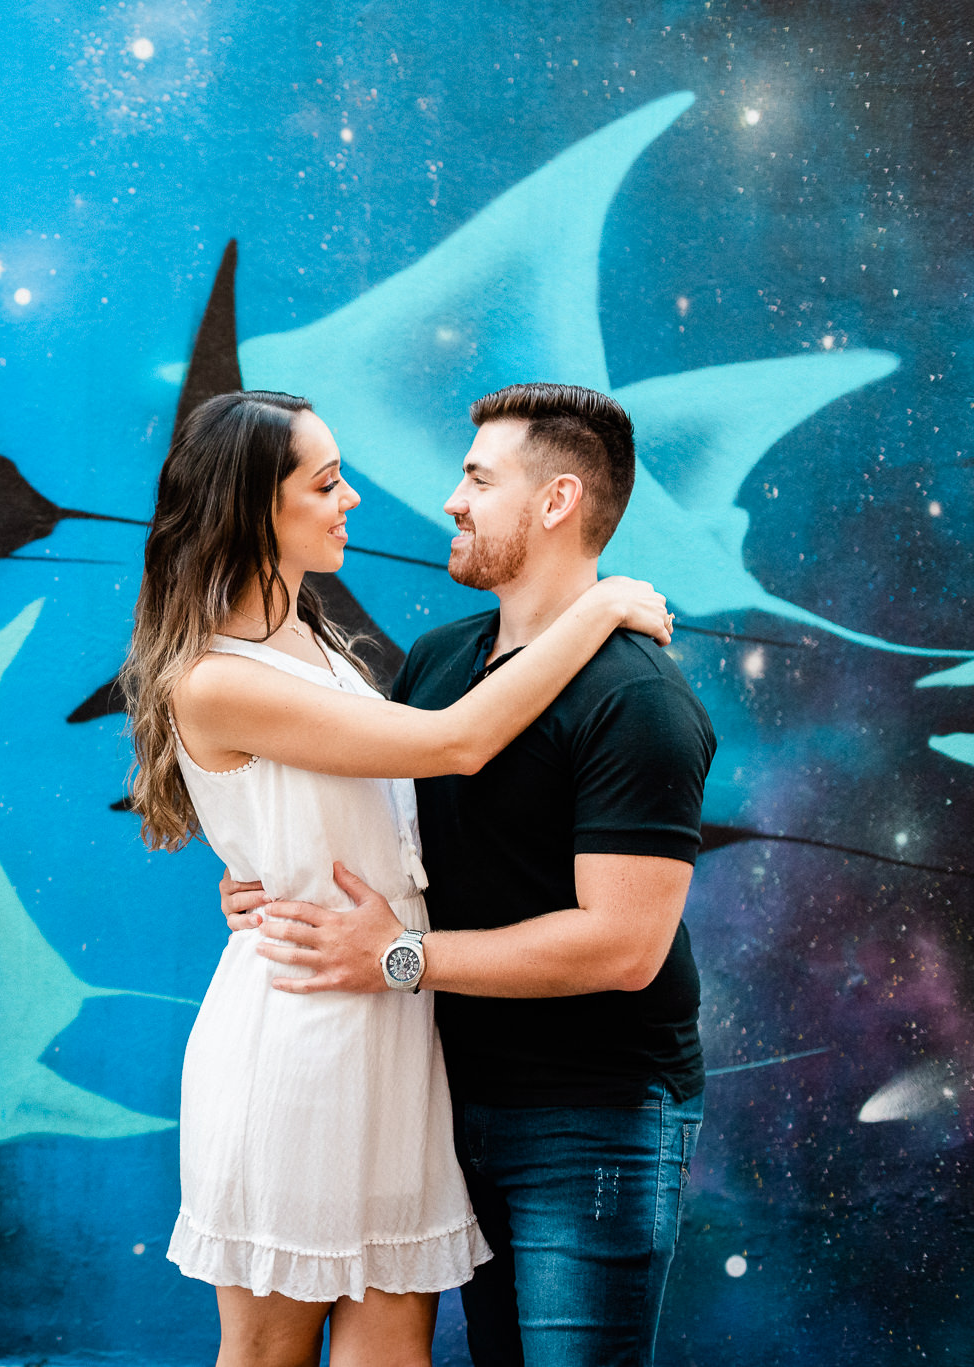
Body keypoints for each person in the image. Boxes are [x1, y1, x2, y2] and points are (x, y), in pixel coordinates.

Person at [123, 389, 674, 1367]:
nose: (352, 500)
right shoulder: (217, 676)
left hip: (392, 1030)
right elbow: (454, 742)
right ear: (255, 506)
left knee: (391, 1348)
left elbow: (363, 818)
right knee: (267, 1352)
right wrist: (599, 605)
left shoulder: (317, 644)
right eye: (326, 483)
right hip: (301, 1028)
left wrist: (266, 868)